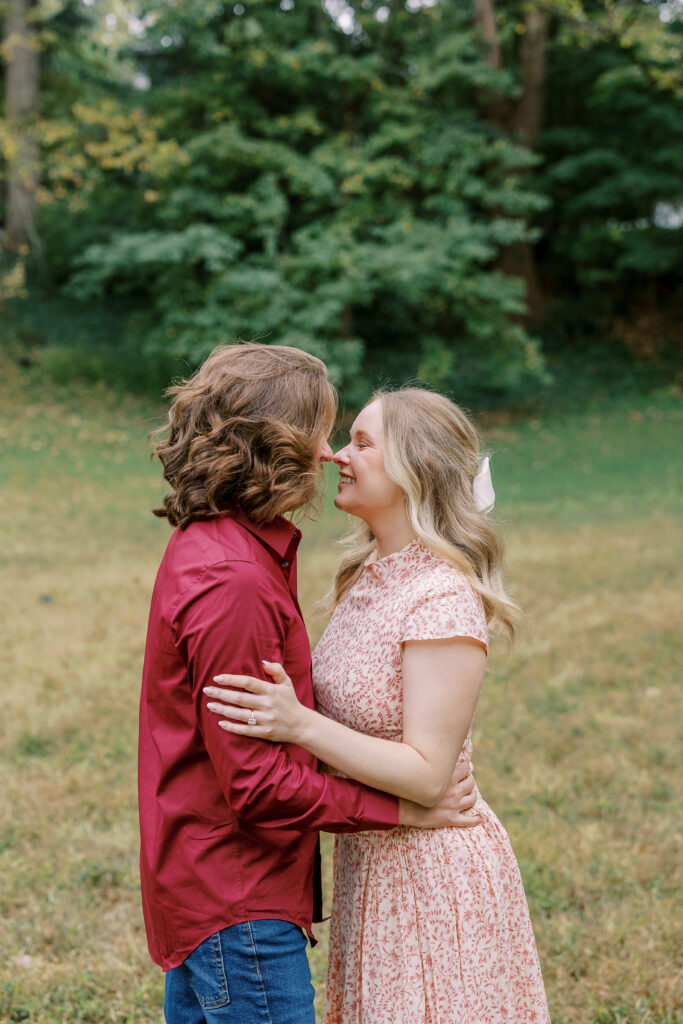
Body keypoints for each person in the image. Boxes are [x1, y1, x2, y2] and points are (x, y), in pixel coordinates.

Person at [138, 346, 480, 1024]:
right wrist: (405, 812)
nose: (329, 454)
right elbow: (257, 783)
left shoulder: (246, 552)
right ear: (276, 443)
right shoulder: (233, 578)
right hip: (238, 897)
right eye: (325, 432)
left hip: (225, 890)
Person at [204, 387, 552, 1024]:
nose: (338, 454)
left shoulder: (440, 596)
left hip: (431, 870)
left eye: (362, 443)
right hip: (373, 858)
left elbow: (427, 773)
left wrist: (298, 724)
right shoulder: (368, 574)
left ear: (413, 469)